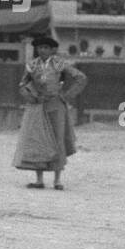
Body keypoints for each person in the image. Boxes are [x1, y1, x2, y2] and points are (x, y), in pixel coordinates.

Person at [13, 34, 87, 190]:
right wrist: (31, 97)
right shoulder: (32, 65)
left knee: (57, 139)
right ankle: (39, 180)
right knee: (39, 140)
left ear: (52, 50)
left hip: (56, 106)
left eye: (46, 48)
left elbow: (81, 77)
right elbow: (22, 84)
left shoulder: (59, 64)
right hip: (38, 107)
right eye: (40, 48)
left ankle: (57, 180)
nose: (42, 50)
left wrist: (66, 96)